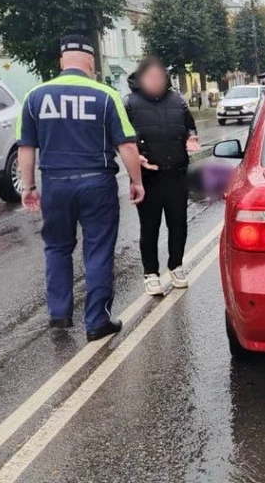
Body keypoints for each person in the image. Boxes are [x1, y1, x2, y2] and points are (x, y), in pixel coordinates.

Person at [16, 34, 145, 342]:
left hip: (55, 183)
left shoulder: (35, 96)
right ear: (90, 62)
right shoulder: (105, 95)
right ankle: (97, 321)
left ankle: (59, 314)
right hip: (96, 182)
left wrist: (29, 186)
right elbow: (126, 144)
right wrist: (136, 181)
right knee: (98, 249)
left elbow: (26, 147)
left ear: (62, 61)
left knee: (57, 247)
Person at [124, 56, 201, 296]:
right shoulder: (129, 104)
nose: (156, 81)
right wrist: (136, 159)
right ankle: (151, 274)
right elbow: (121, 140)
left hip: (177, 174)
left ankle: (175, 266)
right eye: (151, 77)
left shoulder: (177, 100)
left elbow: (190, 126)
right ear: (140, 78)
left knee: (178, 223)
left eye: (160, 76)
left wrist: (190, 137)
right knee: (150, 227)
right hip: (148, 177)